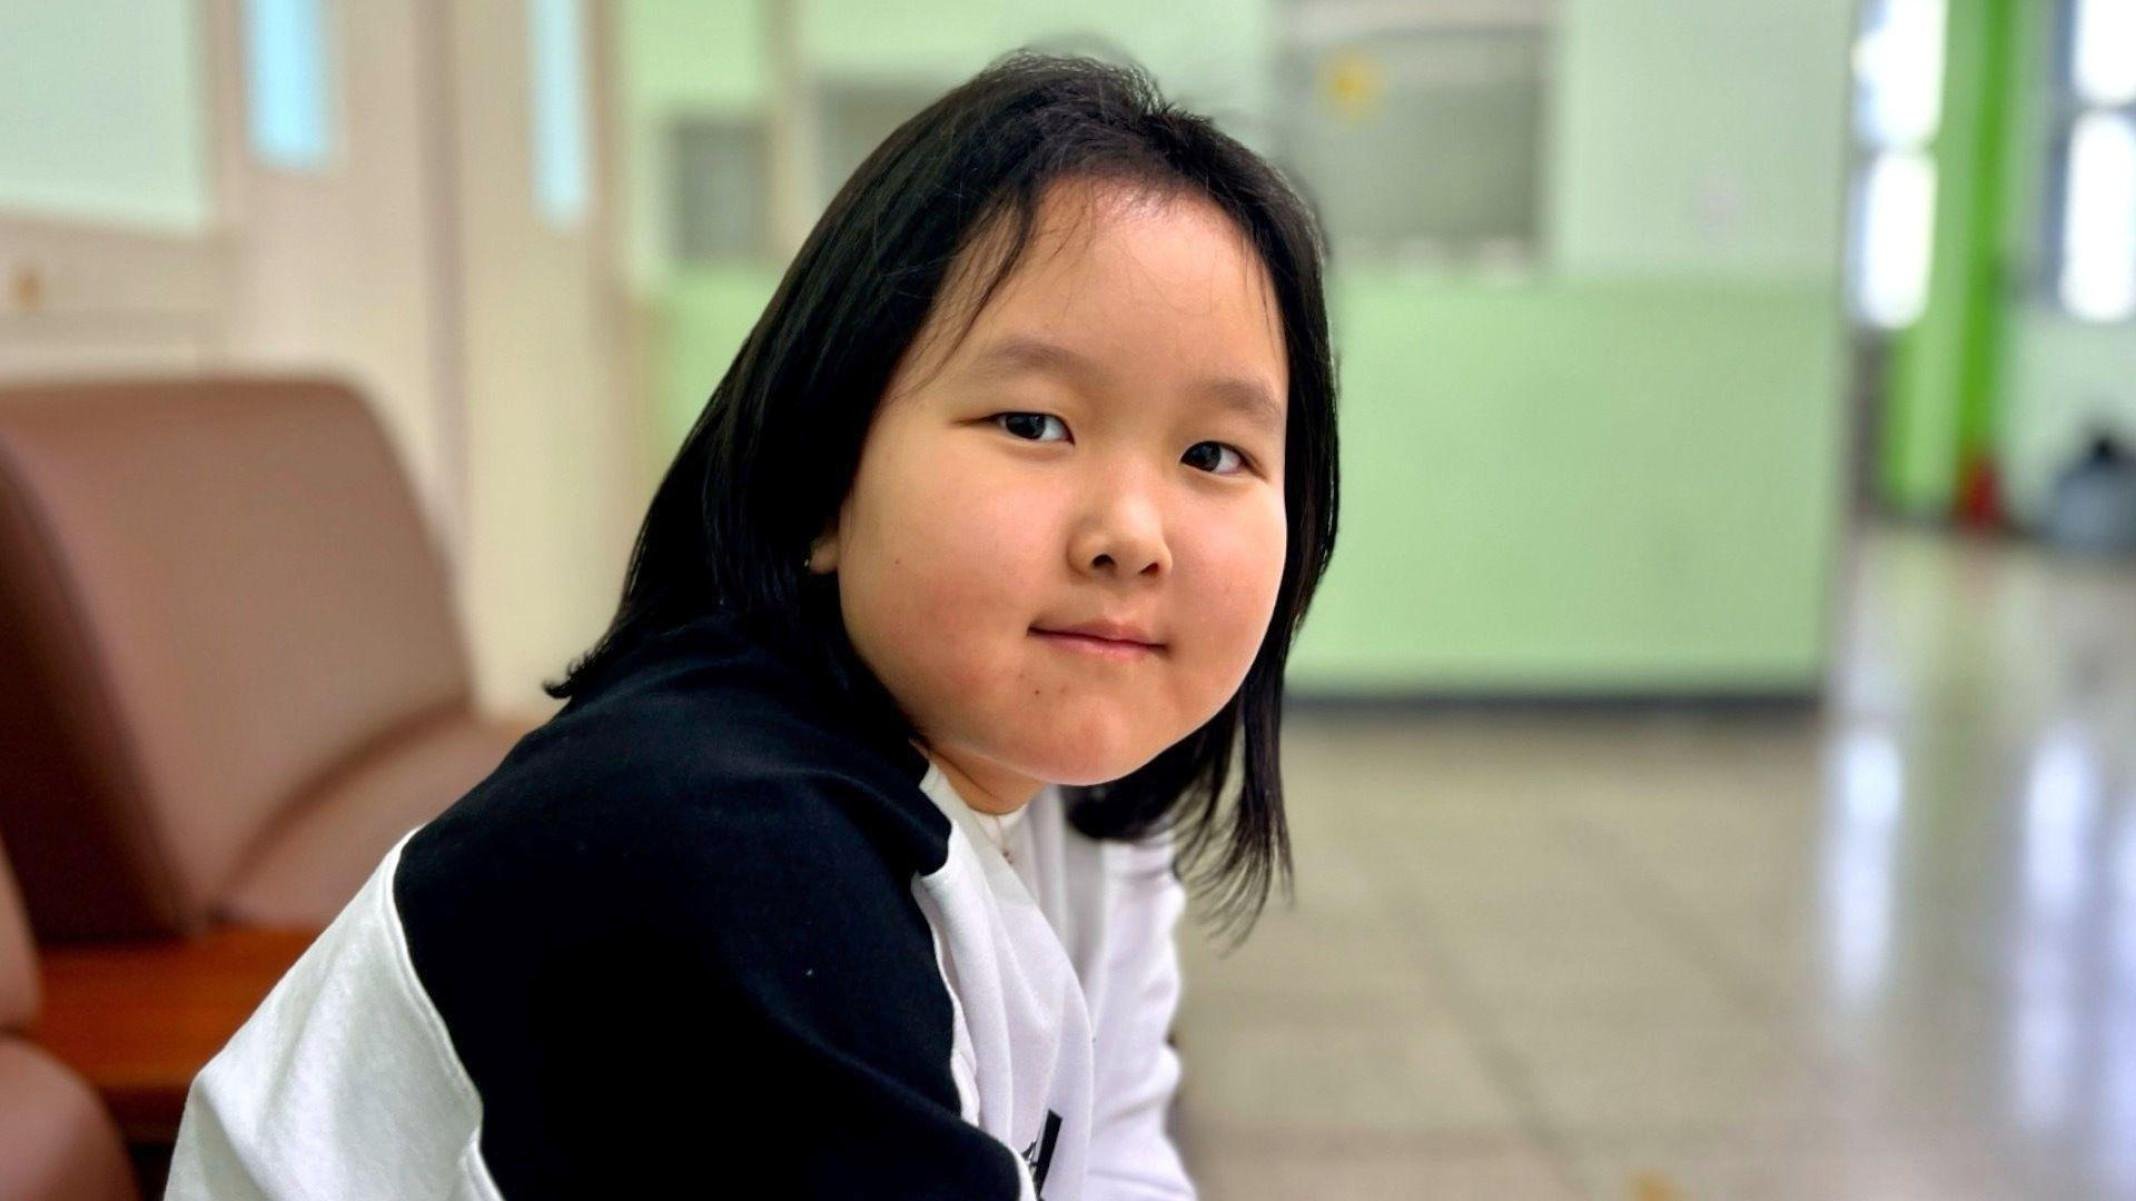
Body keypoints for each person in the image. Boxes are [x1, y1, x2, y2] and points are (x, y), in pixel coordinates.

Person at [163, 49, 1339, 1201]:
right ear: (821, 480)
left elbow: (1116, 1142)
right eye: (1033, 423)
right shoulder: (738, 859)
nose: (1131, 533)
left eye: (1214, 453)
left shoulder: (1076, 783)